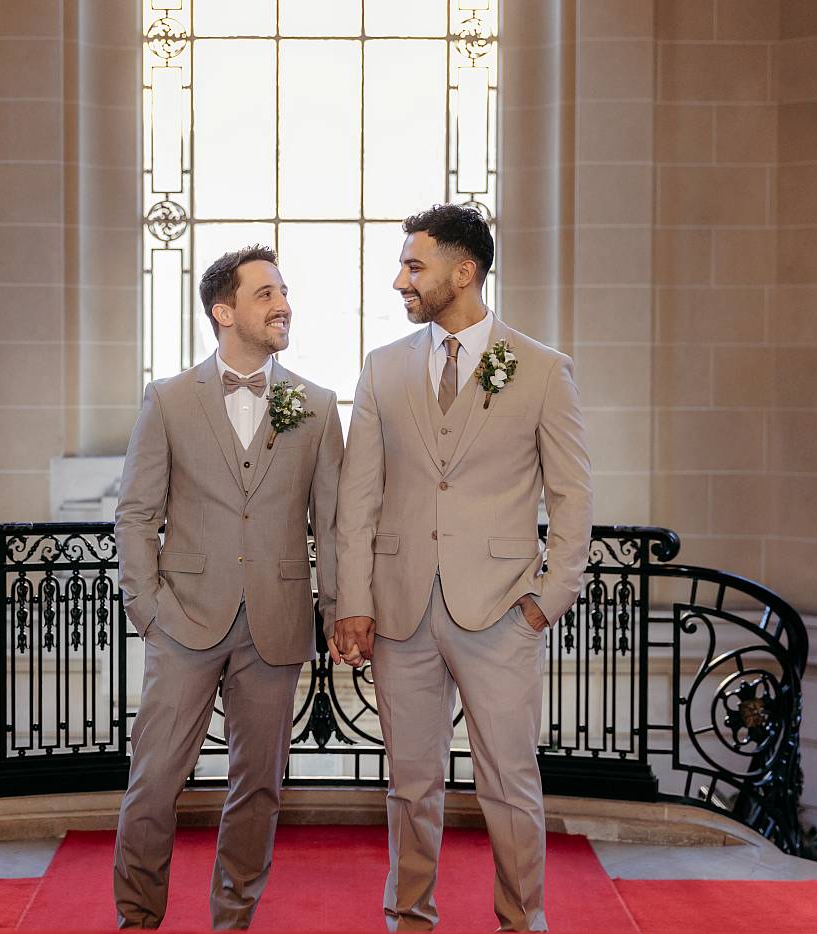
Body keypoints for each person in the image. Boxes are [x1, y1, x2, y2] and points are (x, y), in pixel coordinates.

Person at [332, 204, 592, 931]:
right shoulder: (383, 368)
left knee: (510, 783)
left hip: (503, 609)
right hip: (400, 609)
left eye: (413, 266)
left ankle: (522, 922)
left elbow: (573, 495)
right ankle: (408, 918)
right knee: (411, 785)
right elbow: (358, 498)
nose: (399, 281)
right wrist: (354, 597)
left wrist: (549, 596)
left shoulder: (542, 370)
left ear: (463, 270)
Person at [112, 245, 343, 929]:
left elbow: (330, 526)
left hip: (274, 622)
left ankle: (232, 920)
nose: (283, 304)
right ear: (224, 311)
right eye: (266, 293)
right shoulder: (168, 401)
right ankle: (138, 919)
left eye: (285, 291)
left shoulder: (317, 405)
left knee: (260, 788)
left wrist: (337, 613)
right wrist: (146, 607)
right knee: (153, 783)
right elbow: (135, 514)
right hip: (182, 620)